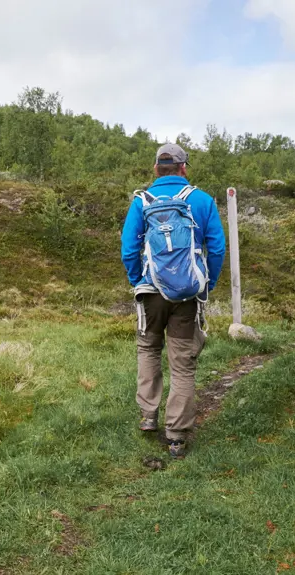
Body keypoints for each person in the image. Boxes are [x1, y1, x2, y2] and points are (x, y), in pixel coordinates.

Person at [120, 143, 226, 458]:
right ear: (183, 168)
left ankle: (149, 415)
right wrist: (206, 284)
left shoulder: (141, 202)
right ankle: (177, 435)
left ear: (156, 169)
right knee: (182, 363)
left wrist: (139, 280)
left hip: (150, 293)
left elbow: (128, 249)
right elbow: (216, 248)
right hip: (186, 295)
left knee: (149, 348)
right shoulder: (203, 200)